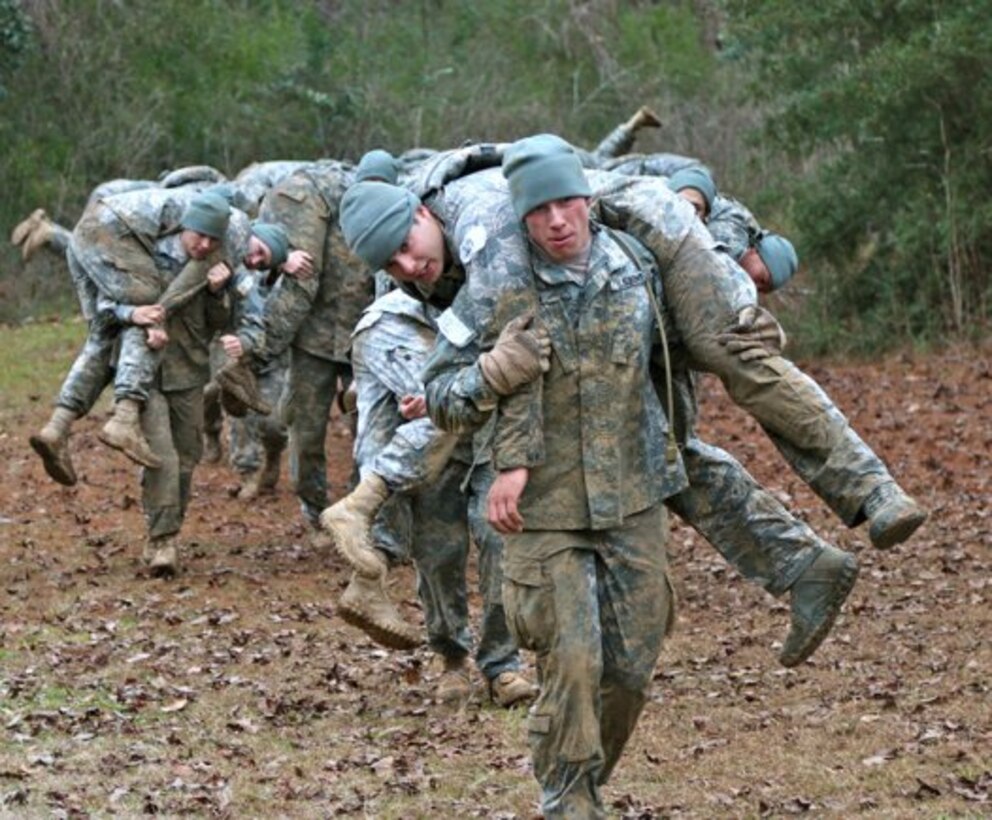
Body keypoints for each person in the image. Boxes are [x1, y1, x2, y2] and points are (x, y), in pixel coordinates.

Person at [340, 136, 687, 815]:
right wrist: (495, 379)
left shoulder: (636, 268)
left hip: (633, 494)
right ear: (518, 216)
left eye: (568, 204)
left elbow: (679, 363)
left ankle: (577, 772)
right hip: (538, 506)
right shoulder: (490, 289)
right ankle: (569, 795)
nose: (558, 220)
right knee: (574, 662)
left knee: (632, 669)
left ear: (588, 201)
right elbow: (441, 392)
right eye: (541, 209)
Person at [335, 283, 536, 705]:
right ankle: (452, 660)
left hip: (490, 444)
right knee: (439, 556)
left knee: (501, 545)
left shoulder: (487, 283)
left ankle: (503, 666)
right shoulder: (390, 316)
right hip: (431, 454)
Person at [28, 188, 248, 484]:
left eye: (213, 239)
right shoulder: (235, 228)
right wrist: (154, 317)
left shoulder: (164, 221)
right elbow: (167, 295)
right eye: (200, 236)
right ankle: (124, 417)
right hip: (100, 234)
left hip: (83, 236)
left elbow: (108, 313)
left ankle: (56, 429)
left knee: (102, 336)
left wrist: (135, 314)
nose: (207, 245)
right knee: (147, 307)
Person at [215, 159, 375, 540]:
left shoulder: (368, 202)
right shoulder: (291, 199)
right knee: (305, 430)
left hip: (364, 333)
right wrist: (257, 347)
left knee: (370, 430)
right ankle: (317, 512)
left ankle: (362, 513)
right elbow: (286, 288)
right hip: (314, 339)